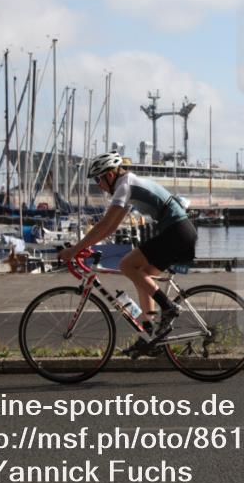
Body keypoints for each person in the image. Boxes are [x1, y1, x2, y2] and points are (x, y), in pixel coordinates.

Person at [57, 151, 196, 357]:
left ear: (110, 175)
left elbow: (104, 223)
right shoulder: (128, 185)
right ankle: (149, 335)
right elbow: (110, 227)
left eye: (98, 180)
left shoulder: (124, 185)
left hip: (176, 232)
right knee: (142, 276)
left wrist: (74, 250)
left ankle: (168, 307)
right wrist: (87, 246)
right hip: (179, 232)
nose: (99, 185)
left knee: (126, 265)